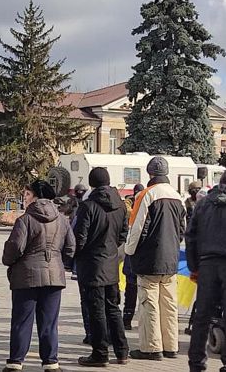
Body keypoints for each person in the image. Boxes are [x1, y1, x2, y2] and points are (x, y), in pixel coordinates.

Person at [2, 180, 75, 372]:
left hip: (26, 277)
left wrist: (8, 261)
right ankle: (51, 362)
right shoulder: (62, 220)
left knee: (21, 321)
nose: (24, 198)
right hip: (54, 277)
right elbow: (71, 247)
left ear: (35, 196)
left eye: (26, 194)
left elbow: (15, 247)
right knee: (49, 322)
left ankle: (16, 362)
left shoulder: (25, 220)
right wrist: (60, 263)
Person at [185, 164, 226, 372]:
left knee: (202, 317)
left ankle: (196, 363)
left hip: (207, 266)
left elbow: (191, 236)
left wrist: (194, 267)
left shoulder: (203, 204)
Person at [125, 156, 186, 360]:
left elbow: (137, 227)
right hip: (171, 259)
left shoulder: (146, 195)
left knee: (149, 304)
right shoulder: (177, 196)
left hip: (150, 259)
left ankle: (152, 348)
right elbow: (181, 229)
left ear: (150, 173)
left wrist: (130, 251)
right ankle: (171, 346)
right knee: (169, 304)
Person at [74, 168, 129, 366]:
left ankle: (100, 353)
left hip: (92, 265)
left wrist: (76, 256)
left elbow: (80, 237)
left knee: (96, 310)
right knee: (113, 308)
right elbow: (123, 233)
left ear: (92, 184)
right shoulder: (121, 205)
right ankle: (122, 351)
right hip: (112, 263)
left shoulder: (88, 206)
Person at [122, 183, 144, 330]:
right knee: (132, 290)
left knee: (134, 290)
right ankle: (127, 319)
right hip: (134, 255)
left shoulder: (142, 206)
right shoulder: (128, 205)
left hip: (134, 254)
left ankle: (128, 319)